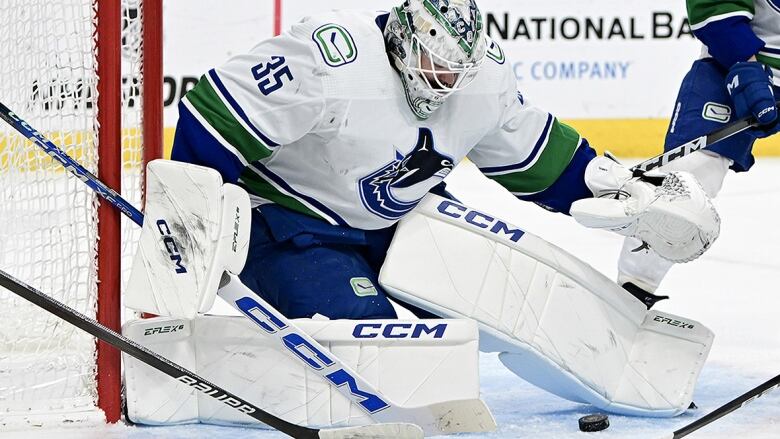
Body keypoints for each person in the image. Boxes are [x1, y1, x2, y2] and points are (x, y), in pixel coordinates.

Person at [170, 0, 719, 320]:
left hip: (407, 219)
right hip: (295, 225)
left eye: (458, 68)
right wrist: (192, 227)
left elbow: (532, 155)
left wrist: (615, 187)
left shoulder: (480, 78)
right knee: (378, 349)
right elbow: (216, 116)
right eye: (436, 64)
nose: (446, 80)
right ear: (407, 40)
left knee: (501, 312)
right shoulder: (332, 56)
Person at [617, 0, 780, 308]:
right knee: (690, 176)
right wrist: (748, 70)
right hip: (736, 63)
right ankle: (633, 290)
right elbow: (714, 7)